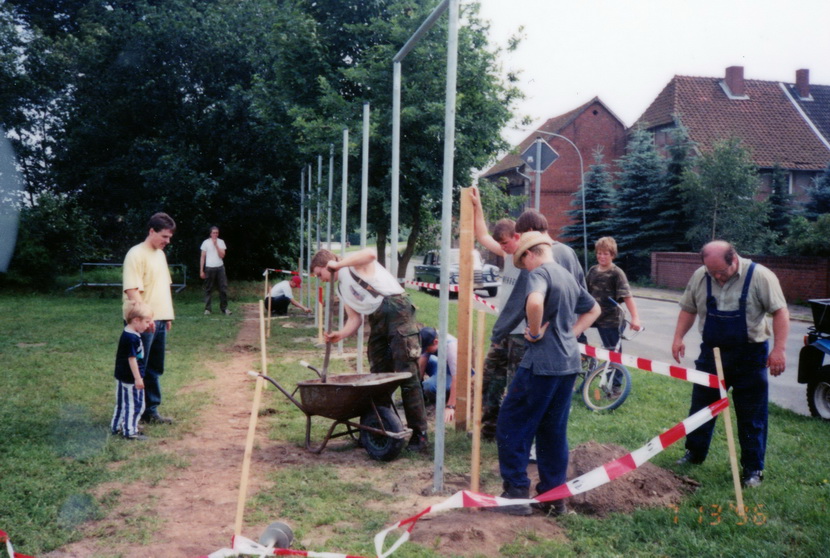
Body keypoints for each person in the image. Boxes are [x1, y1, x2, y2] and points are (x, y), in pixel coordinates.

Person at [494, 231, 599, 515]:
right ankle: (553, 498)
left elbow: (535, 302)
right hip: (568, 365)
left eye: (522, 261)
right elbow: (594, 309)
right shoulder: (566, 275)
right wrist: (571, 334)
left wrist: (535, 330)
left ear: (531, 253)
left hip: (541, 364)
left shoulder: (539, 273)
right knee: (553, 431)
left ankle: (516, 494)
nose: (524, 268)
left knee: (511, 424)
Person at [671, 240, 789, 488]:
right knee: (702, 407)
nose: (717, 277)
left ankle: (753, 469)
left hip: (750, 355)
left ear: (734, 259)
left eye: (721, 272)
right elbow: (688, 308)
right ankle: (695, 452)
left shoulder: (761, 276)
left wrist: (779, 349)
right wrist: (678, 337)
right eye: (711, 272)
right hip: (712, 354)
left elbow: (780, 312)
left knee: (751, 414)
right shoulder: (700, 276)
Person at [470, 188, 585, 440]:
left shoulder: (557, 254)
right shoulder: (513, 255)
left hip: (528, 336)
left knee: (518, 388)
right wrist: (478, 207)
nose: (514, 245)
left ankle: (518, 436)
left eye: (517, 238)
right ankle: (489, 430)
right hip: (506, 332)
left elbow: (576, 298)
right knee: (490, 380)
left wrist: (566, 332)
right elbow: (482, 235)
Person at [310, 248, 429, 452]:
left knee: (407, 374)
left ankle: (420, 436)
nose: (322, 280)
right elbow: (355, 319)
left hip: (397, 310)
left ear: (328, 265)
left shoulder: (353, 266)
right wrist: (340, 334)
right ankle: (378, 426)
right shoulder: (341, 289)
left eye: (320, 274)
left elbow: (371, 254)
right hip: (378, 320)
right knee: (377, 375)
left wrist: (339, 264)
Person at [122, 212, 177, 425]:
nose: (167, 241)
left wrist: (167, 316)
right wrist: (145, 319)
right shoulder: (135, 254)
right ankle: (133, 412)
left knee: (155, 367)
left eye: (170, 237)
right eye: (164, 236)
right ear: (151, 231)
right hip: (142, 323)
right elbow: (132, 291)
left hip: (160, 320)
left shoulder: (160, 255)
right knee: (138, 366)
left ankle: (151, 411)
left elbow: (163, 287)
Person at [585, 236, 642, 350]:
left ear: (612, 255)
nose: (601, 256)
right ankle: (588, 359)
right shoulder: (592, 270)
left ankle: (616, 368)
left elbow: (627, 297)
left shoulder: (617, 273)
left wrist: (635, 318)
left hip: (610, 320)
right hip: (593, 316)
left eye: (605, 254)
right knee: (574, 332)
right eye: (599, 253)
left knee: (613, 353)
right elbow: (584, 292)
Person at [110, 301, 154, 441]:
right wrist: (138, 378)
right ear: (136, 320)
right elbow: (132, 359)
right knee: (135, 405)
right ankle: (130, 432)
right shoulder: (132, 338)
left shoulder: (127, 332)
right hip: (130, 378)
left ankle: (116, 427)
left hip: (121, 375)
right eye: (147, 322)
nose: (148, 325)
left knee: (122, 403)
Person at [418, 326, 459, 423]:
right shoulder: (431, 336)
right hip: (444, 366)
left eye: (427, 348)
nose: (425, 350)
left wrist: (450, 406)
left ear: (436, 342)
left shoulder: (451, 348)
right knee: (420, 361)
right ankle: (427, 390)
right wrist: (417, 387)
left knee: (428, 385)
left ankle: (448, 397)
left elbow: (457, 378)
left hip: (459, 375)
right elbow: (422, 362)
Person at [200, 226, 231, 315]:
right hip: (209, 268)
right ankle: (208, 309)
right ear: (210, 234)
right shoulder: (205, 242)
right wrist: (201, 270)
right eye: (213, 233)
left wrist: (216, 245)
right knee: (208, 289)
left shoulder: (221, 242)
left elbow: (222, 255)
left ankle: (224, 309)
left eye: (217, 233)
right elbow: (202, 257)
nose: (215, 234)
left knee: (223, 289)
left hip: (220, 268)